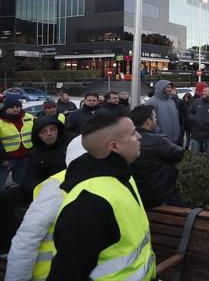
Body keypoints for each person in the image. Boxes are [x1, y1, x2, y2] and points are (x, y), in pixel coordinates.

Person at [47, 112, 156, 281]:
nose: (140, 136)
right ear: (114, 146)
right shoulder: (88, 205)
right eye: (134, 133)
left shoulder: (122, 176)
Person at [5, 135, 86, 281]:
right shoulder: (56, 187)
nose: (49, 134)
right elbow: (27, 239)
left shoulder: (117, 180)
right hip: (50, 273)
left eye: (53, 130)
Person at [129, 105, 184, 209]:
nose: (156, 120)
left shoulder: (124, 140)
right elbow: (179, 153)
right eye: (154, 117)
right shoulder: (158, 141)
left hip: (135, 195)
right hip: (159, 196)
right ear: (148, 122)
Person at [0, 96, 35, 187]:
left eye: (17, 106)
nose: (15, 109)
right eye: (12, 107)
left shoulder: (29, 117)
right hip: (6, 160)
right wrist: (2, 159)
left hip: (24, 158)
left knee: (21, 184)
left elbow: (37, 133)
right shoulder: (1, 121)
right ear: (5, 108)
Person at [187, 83, 209, 160]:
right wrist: (195, 119)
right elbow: (189, 113)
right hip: (196, 135)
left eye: (206, 91)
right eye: (203, 91)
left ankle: (208, 170)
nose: (203, 93)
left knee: (208, 158)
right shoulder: (197, 101)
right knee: (195, 157)